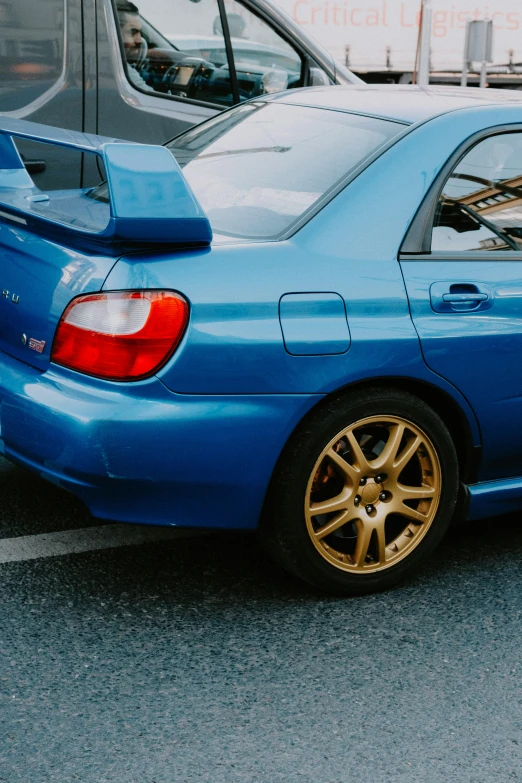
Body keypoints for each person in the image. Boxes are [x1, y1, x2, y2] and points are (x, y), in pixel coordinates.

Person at [116, 1, 150, 90]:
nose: (140, 40)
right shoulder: (123, 72)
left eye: (140, 33)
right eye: (133, 32)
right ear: (115, 33)